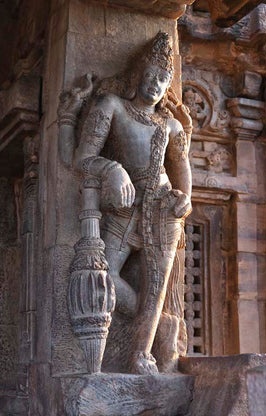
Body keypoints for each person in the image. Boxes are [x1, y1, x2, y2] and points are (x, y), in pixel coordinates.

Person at [74, 32, 192, 375]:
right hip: (124, 208)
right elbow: (82, 159)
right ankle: (154, 322)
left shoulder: (170, 125)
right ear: (138, 74)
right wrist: (112, 169)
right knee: (106, 275)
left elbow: (182, 174)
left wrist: (185, 199)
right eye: (152, 76)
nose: (156, 85)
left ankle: (142, 353)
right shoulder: (110, 106)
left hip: (164, 210)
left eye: (163, 80)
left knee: (157, 287)